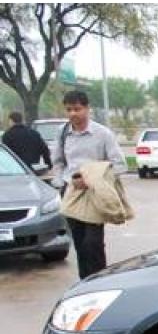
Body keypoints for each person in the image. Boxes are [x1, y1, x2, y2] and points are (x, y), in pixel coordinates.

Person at [51, 90, 128, 279]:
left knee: (92, 243)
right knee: (79, 244)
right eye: (69, 110)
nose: (73, 114)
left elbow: (119, 165)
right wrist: (63, 182)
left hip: (95, 194)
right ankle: (84, 283)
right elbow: (58, 162)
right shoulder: (63, 133)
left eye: (77, 109)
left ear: (87, 108)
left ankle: (100, 281)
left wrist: (93, 178)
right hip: (71, 194)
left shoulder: (103, 134)